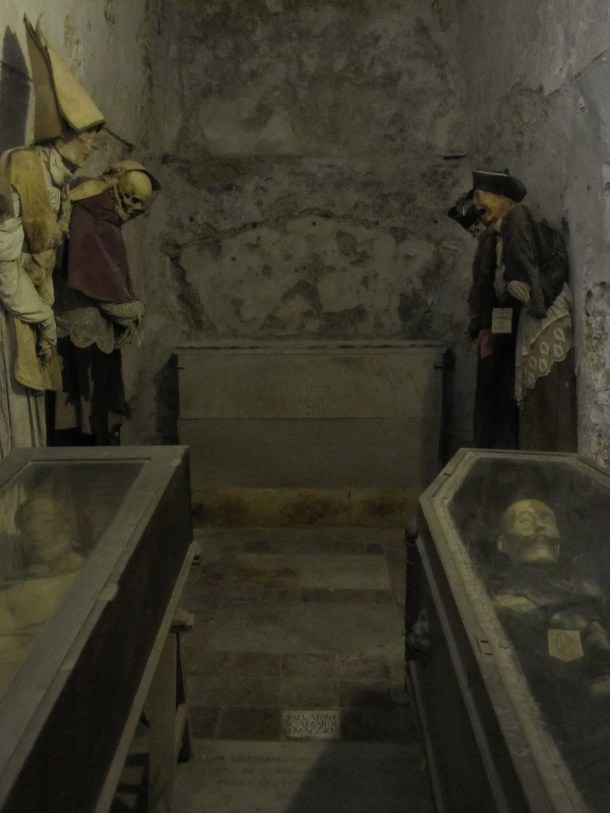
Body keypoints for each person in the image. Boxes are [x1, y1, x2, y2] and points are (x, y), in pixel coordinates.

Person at [0, 16, 105, 458]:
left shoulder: (58, 179)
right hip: (8, 313)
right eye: (87, 136)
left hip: (29, 306)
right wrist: (41, 316)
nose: (92, 146)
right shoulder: (19, 169)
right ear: (62, 134)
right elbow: (4, 266)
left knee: (29, 422)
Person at [50, 162, 160, 444]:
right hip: (81, 332)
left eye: (142, 205)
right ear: (116, 187)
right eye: (132, 199)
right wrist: (131, 313)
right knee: (83, 411)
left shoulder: (102, 214)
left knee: (92, 408)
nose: (136, 209)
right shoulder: (92, 215)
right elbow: (92, 275)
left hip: (92, 332)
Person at [471, 169, 577, 452]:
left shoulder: (518, 218)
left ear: (503, 198)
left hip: (542, 320)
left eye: (483, 197)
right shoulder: (498, 235)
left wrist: (528, 293)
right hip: (525, 321)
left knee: (545, 401)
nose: (478, 207)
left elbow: (535, 275)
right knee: (529, 403)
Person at [448, 189, 518, 448]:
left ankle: (494, 448)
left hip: (496, 324)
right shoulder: (490, 239)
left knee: (494, 389)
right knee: (492, 389)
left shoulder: (491, 239)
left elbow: (486, 286)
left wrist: (484, 325)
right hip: (494, 323)